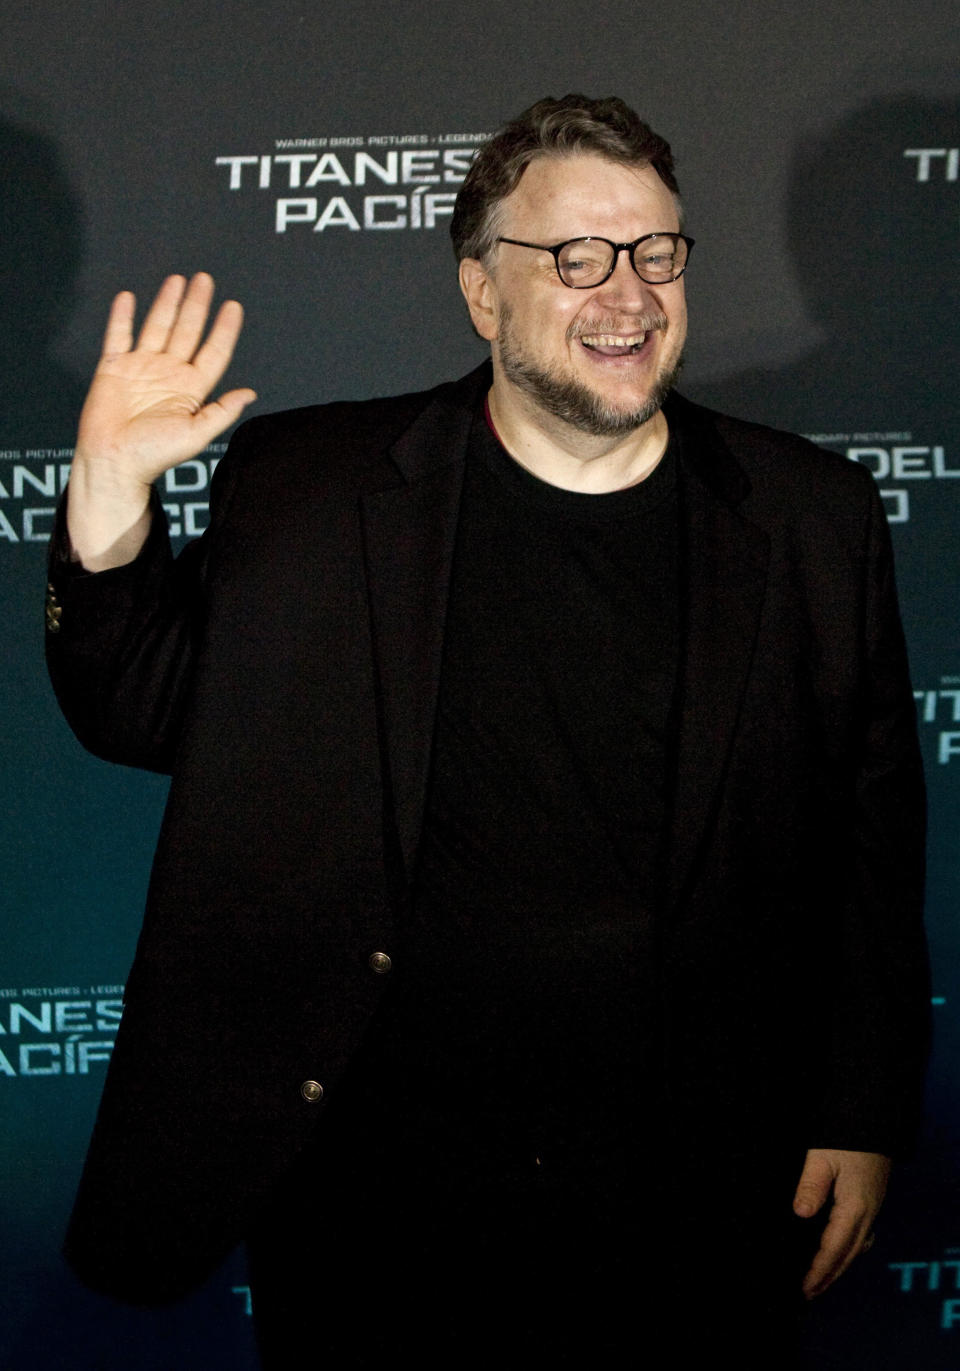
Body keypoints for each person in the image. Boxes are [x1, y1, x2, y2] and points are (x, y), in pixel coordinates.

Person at [46, 95, 928, 1368]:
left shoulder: (812, 517)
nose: (625, 293)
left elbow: (869, 829)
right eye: (574, 257)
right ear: (481, 293)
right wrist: (112, 506)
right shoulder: (315, 487)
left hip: (696, 1184)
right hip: (383, 1190)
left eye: (655, 252)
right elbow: (136, 710)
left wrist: (859, 1105)